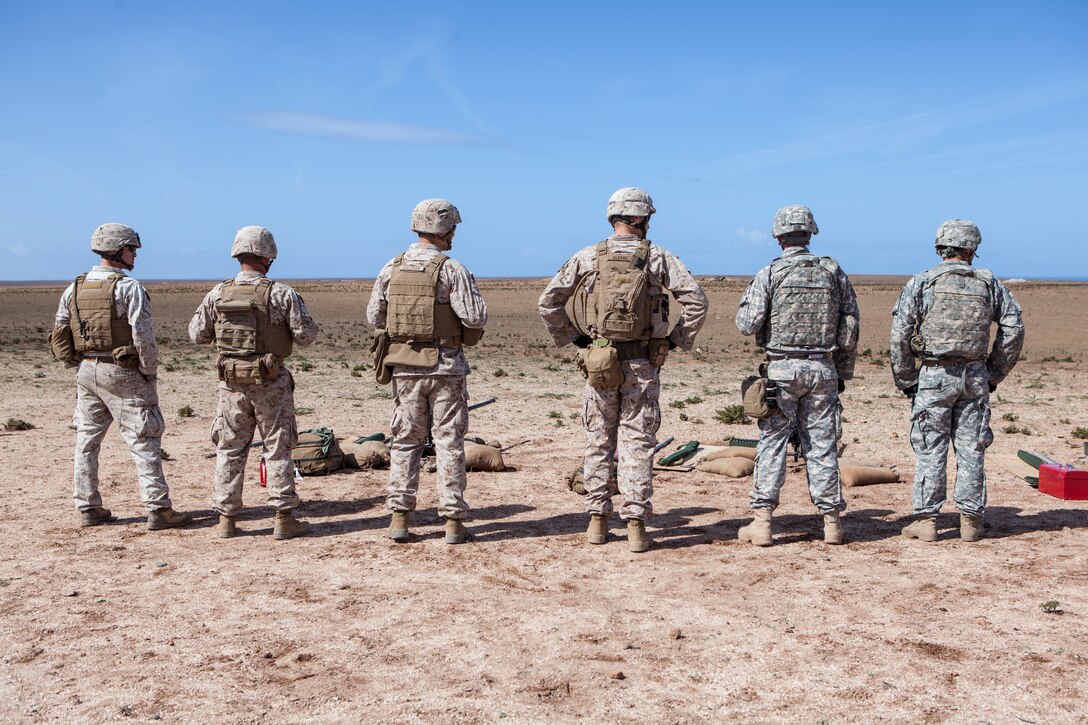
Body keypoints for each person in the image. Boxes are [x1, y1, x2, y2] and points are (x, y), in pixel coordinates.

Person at [538, 187, 708, 553]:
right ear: (641, 219)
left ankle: (597, 521)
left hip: (599, 362)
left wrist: (577, 340)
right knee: (637, 444)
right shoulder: (658, 256)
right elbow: (696, 300)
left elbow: (548, 302)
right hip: (643, 363)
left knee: (598, 440)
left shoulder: (588, 256)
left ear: (613, 217)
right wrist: (676, 340)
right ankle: (635, 525)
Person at [890, 220, 1024, 542]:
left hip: (934, 377)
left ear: (940, 247)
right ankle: (971, 521)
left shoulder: (922, 282)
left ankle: (926, 521)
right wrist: (993, 372)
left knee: (929, 447)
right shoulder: (990, 284)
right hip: (975, 376)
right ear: (972, 249)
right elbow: (1014, 329)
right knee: (971, 448)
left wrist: (907, 379)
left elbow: (900, 335)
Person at [51, 223, 192, 530]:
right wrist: (148, 372)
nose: (135, 256)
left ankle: (88, 506)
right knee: (145, 438)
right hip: (123, 372)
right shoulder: (128, 288)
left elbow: (60, 332)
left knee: (86, 440)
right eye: (131, 250)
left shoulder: (73, 288)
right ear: (116, 251)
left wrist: (77, 363)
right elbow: (143, 336)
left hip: (87, 371)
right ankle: (158, 508)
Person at [735, 205, 859, 546]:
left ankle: (762, 522)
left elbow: (746, 324)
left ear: (778, 238)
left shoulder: (771, 273)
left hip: (782, 369)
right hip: (823, 368)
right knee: (822, 446)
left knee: (772, 442)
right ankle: (831, 522)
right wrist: (842, 372)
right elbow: (850, 325)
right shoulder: (832, 272)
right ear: (810, 234)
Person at [367, 199, 487, 544]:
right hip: (446, 367)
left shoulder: (391, 268)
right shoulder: (452, 269)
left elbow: (375, 317)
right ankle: (452, 521)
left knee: (405, 442)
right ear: (445, 228)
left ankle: (399, 518)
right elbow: (475, 318)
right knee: (449, 442)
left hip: (405, 367)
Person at [188, 226, 319, 540]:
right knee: (278, 447)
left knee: (230, 449)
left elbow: (196, 334)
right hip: (271, 382)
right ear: (267, 256)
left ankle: (226, 520)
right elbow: (307, 336)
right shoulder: (281, 293)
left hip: (231, 383)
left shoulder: (218, 293)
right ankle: (283, 517)